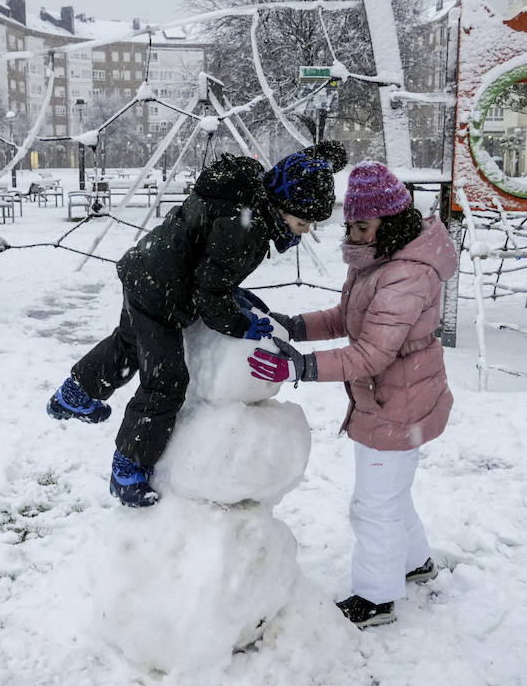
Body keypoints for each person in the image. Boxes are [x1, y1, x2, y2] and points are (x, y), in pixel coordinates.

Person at [47, 140, 349, 508]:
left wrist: (235, 297)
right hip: (163, 292)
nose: (303, 232)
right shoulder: (246, 227)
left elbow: (210, 268)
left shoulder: (249, 198)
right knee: (166, 379)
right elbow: (210, 294)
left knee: (128, 344)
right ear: (281, 207)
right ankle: (129, 466)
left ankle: (75, 394)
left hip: (149, 272)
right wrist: (239, 324)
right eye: (301, 222)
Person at [247, 161, 457, 628]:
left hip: (398, 401)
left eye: (363, 226)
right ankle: (415, 562)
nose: (355, 235)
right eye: (351, 226)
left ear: (391, 221)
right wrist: (294, 325)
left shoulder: (407, 274)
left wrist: (300, 366)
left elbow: (371, 354)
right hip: (395, 396)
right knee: (392, 495)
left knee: (374, 505)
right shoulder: (378, 261)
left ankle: (376, 598)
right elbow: (347, 317)